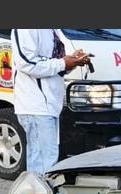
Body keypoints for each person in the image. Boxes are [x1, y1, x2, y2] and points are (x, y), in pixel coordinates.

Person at [11, 29, 91, 175]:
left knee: (45, 160)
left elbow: (53, 63)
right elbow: (25, 62)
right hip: (35, 104)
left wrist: (72, 61)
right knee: (44, 163)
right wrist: (62, 63)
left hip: (49, 105)